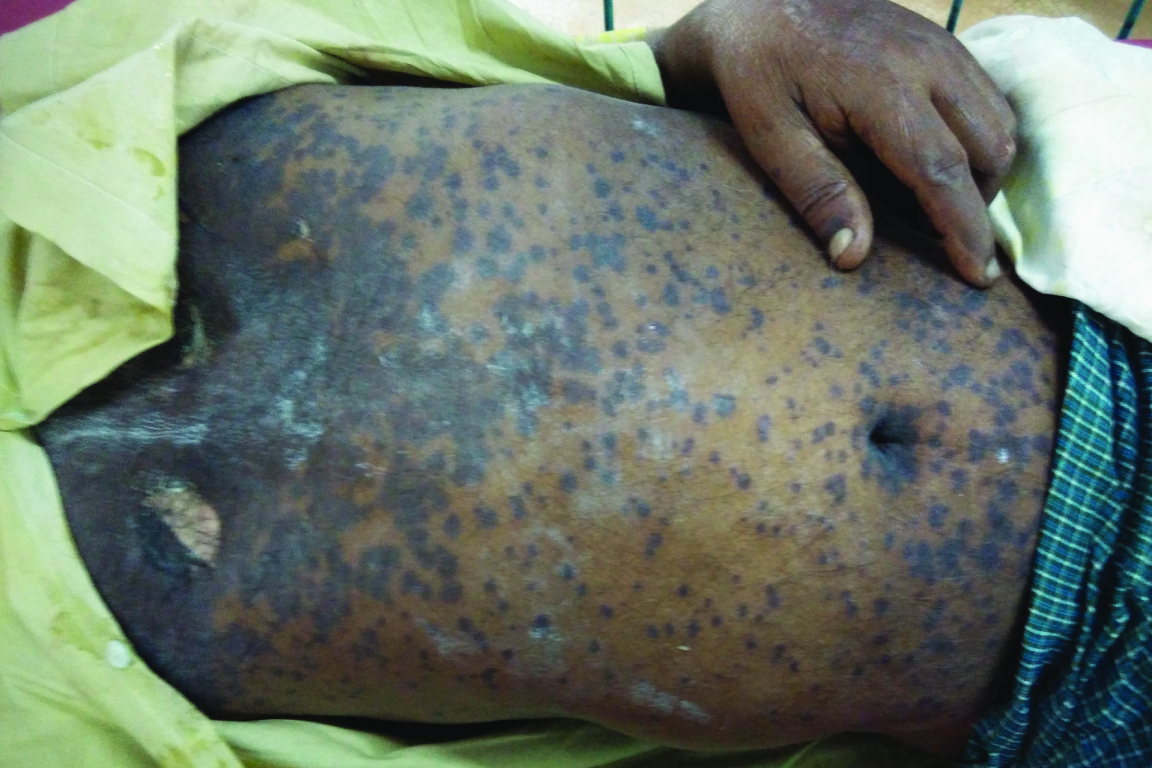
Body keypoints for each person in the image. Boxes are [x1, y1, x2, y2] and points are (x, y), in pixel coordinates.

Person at [4, 2, 1149, 768]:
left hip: (1071, 232)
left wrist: (735, 31)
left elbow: (494, 49)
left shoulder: (54, 91)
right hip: (1076, 679)